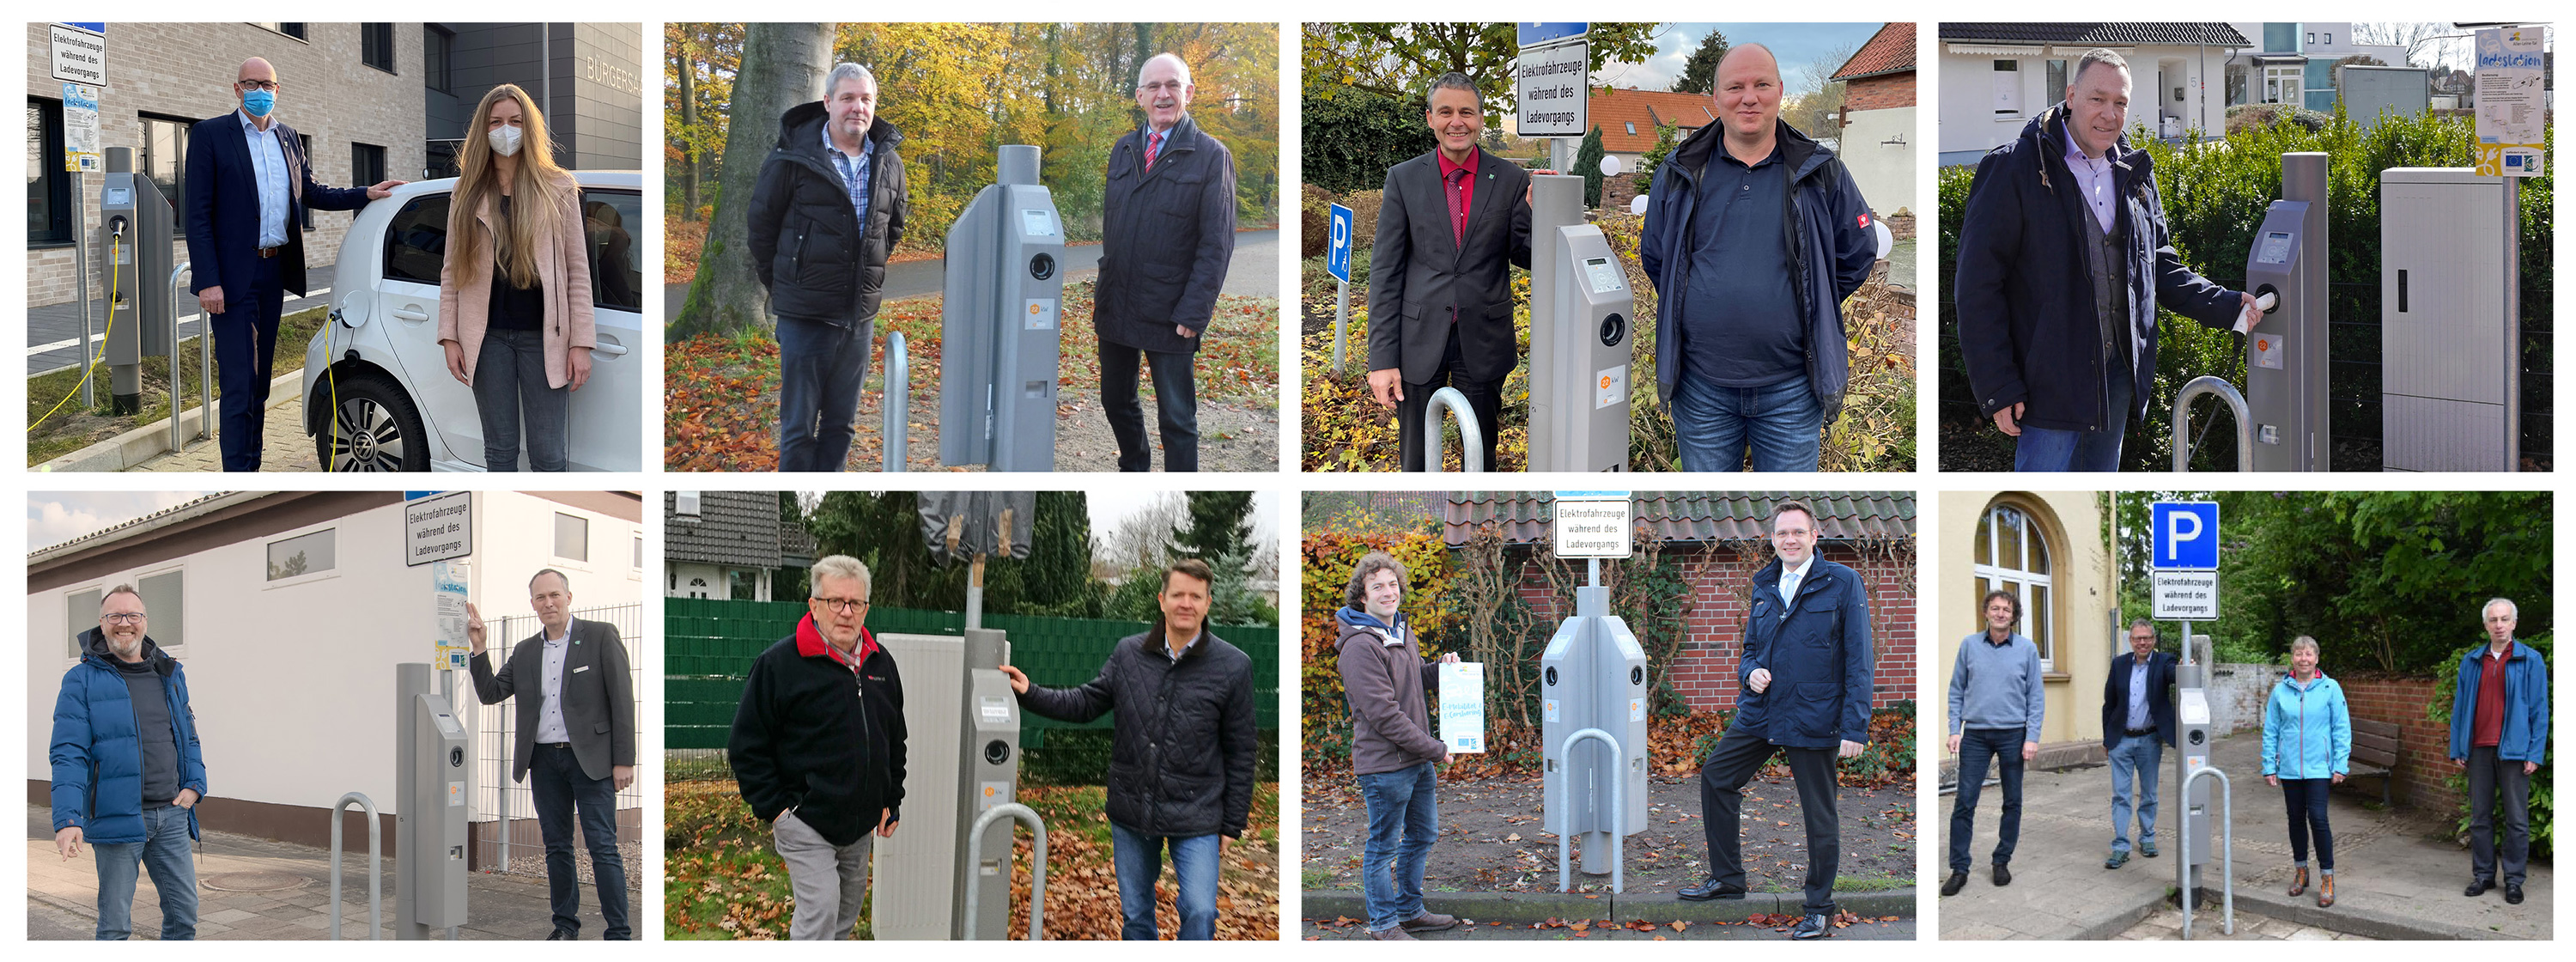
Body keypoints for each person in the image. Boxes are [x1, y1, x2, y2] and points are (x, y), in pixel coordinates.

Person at [1953, 48, 2262, 471]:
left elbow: (2158, 266)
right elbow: (1977, 287)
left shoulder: (2134, 172)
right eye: (2097, 99)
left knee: (2098, 499)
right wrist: (1998, 386)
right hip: (2049, 382)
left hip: (2117, 374)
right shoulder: (2014, 169)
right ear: (2071, 95)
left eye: (2120, 103)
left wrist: (2226, 305)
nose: (2109, 115)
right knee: (2040, 503)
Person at [1637, 44, 1877, 471]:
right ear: (1715, 97)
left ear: (1781, 91)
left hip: (1792, 390)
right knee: (1710, 519)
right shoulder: (1679, 172)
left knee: (1788, 508)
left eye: (1761, 85)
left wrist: (1810, 298)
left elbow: (1858, 252)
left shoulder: (1820, 170)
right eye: (1735, 87)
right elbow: (1657, 257)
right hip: (1701, 388)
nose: (1749, 97)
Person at [999, 559, 1256, 940]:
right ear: (1162, 600)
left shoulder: (1233, 666)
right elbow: (1086, 703)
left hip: (1198, 812)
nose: (1186, 603)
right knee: (1137, 916)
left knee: (1201, 911)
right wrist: (1030, 693)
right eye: (1178, 594)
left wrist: (1233, 822)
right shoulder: (1129, 653)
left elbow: (1242, 750)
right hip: (1132, 808)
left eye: (1195, 596)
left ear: (1207, 603)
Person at [183, 57, 402, 471]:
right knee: (238, 386)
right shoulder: (211, 135)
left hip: (272, 274)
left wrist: (365, 193)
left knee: (260, 384)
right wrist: (208, 281)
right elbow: (197, 215)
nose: (260, 91)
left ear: (278, 90)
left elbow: (312, 193)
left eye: (267, 85)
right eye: (251, 84)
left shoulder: (289, 138)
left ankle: (253, 464)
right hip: (229, 282)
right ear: (236, 88)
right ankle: (237, 474)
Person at [1686, 502, 1872, 940]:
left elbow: (1859, 660)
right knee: (1716, 776)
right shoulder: (1765, 584)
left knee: (1818, 813)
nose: (1790, 540)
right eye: (1782, 533)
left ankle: (1819, 909)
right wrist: (1749, 672)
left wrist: (1854, 726)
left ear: (1814, 536)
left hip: (1815, 714)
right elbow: (1750, 648)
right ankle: (1728, 879)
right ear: (1772, 539)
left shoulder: (1842, 583)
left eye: (1798, 532)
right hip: (1763, 710)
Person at [728, 555, 908, 940]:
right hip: (805, 821)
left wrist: (892, 799)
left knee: (844, 917)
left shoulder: (881, 664)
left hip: (859, 826)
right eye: (835, 602)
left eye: (855, 603)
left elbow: (894, 738)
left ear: (866, 608)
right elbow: (746, 745)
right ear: (814, 605)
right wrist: (777, 811)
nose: (846, 612)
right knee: (820, 912)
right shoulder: (780, 664)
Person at [1367, 71, 1533, 472]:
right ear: (1430, 118)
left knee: (1481, 455)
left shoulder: (1511, 179)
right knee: (1417, 460)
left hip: (1484, 340)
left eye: (1466, 112)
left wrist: (1540, 214)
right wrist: (1381, 359)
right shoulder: (1404, 179)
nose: (1456, 121)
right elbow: (1385, 272)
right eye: (1445, 112)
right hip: (1418, 340)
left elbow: (1526, 256)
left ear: (1480, 119)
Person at [749, 63, 909, 472]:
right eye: (848, 98)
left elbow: (891, 231)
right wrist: (791, 284)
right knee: (799, 429)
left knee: (841, 426)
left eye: (866, 99)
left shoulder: (889, 163)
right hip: (805, 318)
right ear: (828, 102)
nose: (858, 107)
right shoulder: (793, 156)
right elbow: (761, 231)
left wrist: (861, 279)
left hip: (858, 319)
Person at [464, 569, 635, 939]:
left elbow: (622, 699)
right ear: (533, 605)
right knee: (557, 848)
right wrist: (479, 647)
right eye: (541, 598)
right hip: (543, 760)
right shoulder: (526, 651)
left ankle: (619, 934)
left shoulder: (601, 637)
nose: (549, 603)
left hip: (591, 761)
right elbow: (491, 692)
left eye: (555, 595)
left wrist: (625, 759)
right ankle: (564, 928)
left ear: (569, 597)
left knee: (602, 847)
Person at [436, 84, 597, 472]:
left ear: (530, 128)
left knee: (549, 456)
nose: (505, 130)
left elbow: (578, 271)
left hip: (545, 339)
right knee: (500, 453)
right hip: (487, 339)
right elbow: (451, 270)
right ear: (482, 129)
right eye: (495, 122)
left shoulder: (558, 187)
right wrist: (449, 336)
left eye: (514, 121)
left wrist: (582, 344)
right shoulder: (466, 190)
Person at [1096, 52, 1236, 472]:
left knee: (1176, 418)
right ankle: (1134, 467)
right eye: (1154, 87)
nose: (1163, 94)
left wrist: (1195, 310)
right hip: (1117, 303)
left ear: (1188, 93)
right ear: (1140, 96)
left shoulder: (1212, 156)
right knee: (1115, 400)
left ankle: (1180, 489)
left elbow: (1217, 244)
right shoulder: (1123, 149)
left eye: (1172, 85)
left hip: (1172, 311)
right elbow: (1112, 225)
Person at [50, 586, 207, 940]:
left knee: (185, 918)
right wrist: (67, 818)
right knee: (115, 926)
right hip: (117, 818)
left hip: (171, 815)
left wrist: (195, 785)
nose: (125, 623)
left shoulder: (169, 673)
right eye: (115, 616)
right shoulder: (81, 680)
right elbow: (68, 753)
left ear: (145, 622)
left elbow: (189, 735)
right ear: (102, 624)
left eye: (132, 615)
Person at [1332, 551, 1463, 941]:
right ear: (1362, 597)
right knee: (1383, 847)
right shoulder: (1358, 647)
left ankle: (1409, 911)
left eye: (1392, 584)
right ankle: (1384, 926)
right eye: (1377, 587)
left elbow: (1412, 682)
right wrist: (1436, 749)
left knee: (1423, 835)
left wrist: (1442, 670)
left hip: (1416, 760)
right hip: (1386, 766)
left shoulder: (1401, 632)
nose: (1388, 592)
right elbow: (1384, 715)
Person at [1940, 590, 2043, 896]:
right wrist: (1954, 729)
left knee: (2012, 801)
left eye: (2006, 610)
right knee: (1964, 802)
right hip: (1976, 735)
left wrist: (2032, 737)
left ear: (2014, 615)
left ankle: (2001, 861)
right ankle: (1959, 868)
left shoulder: (2027, 649)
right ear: (1986, 612)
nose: (2000, 614)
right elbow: (1956, 689)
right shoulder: (1969, 646)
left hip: (2014, 734)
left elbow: (2035, 697)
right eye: (1995, 608)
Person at [2449, 598, 2549, 905]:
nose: (2499, 625)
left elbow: (2539, 710)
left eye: (2505, 619)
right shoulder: (2472, 661)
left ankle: (2515, 880)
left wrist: (2534, 752)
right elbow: (2461, 707)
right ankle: (2483, 875)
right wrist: (2458, 746)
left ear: (2514, 623)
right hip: (2478, 748)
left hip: (2516, 751)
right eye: (2493, 620)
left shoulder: (2530, 660)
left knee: (2517, 819)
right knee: (2480, 816)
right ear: (2485, 625)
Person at [2261, 636, 2350, 909]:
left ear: (2317, 658)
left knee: (2319, 819)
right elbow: (2271, 731)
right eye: (2299, 654)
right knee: (2295, 820)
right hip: (2289, 768)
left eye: (2308, 654)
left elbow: (2341, 728)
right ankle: (2301, 870)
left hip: (2319, 767)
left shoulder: (2330, 688)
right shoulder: (2281, 691)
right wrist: (2268, 765)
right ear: (2292, 659)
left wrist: (2340, 764)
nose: (2304, 659)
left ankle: (2327, 877)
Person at [2100, 619, 2177, 869]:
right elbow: (2109, 703)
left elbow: (2174, 675)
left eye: (2146, 638)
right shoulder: (2119, 664)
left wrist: (2188, 669)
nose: (2142, 642)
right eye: (2137, 638)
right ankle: (2121, 846)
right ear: (2131, 641)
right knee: (2120, 795)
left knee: (2149, 794)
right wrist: (2107, 738)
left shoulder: (2164, 662)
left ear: (2153, 640)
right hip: (2120, 740)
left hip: (2149, 739)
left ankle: (2147, 838)